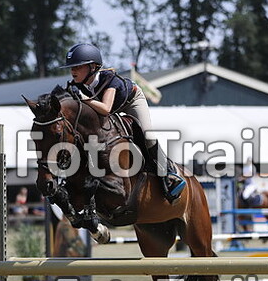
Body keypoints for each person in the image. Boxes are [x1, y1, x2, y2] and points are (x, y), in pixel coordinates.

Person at [60, 43, 186, 203]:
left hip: (131, 101)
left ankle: (168, 175)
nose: (73, 71)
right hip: (109, 108)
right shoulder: (76, 86)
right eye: (71, 67)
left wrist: (84, 98)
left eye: (77, 66)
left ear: (93, 67)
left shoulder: (108, 80)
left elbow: (105, 108)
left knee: (148, 136)